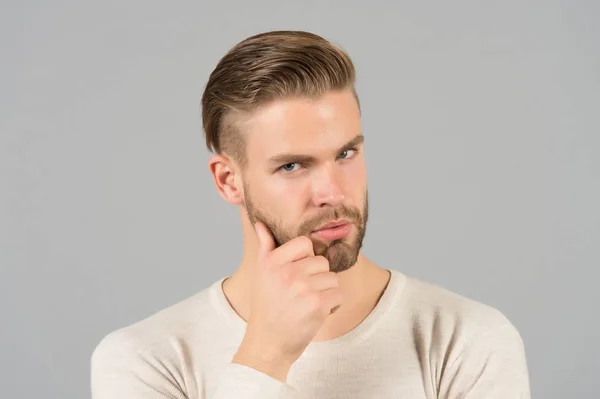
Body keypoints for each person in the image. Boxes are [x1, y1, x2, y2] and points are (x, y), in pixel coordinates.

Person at [91, 30, 530, 398]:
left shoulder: (466, 340)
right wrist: (264, 356)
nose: (332, 192)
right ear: (229, 181)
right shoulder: (147, 359)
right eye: (291, 166)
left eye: (345, 153)